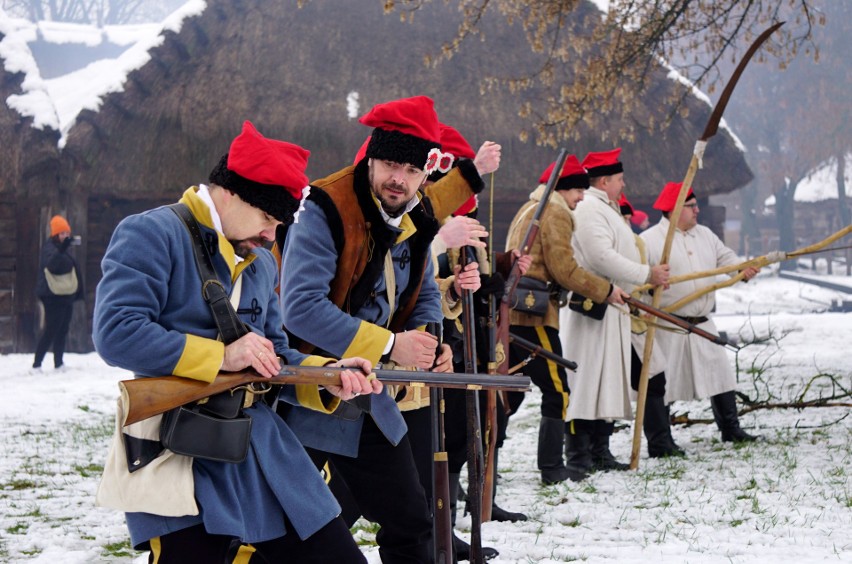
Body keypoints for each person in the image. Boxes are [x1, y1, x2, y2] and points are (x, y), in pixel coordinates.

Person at [92, 121, 379, 563]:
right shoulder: (151, 233)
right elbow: (116, 332)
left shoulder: (261, 263)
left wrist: (326, 376)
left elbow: (276, 355)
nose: (271, 235)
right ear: (229, 193)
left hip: (260, 445)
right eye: (267, 218)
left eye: (278, 223)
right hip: (178, 446)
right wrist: (221, 356)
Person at [279, 96, 480, 563]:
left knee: (410, 519)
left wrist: (433, 343)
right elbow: (300, 310)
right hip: (308, 387)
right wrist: (392, 344)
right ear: (371, 158)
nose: (399, 178)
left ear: (424, 173)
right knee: (283, 521)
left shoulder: (419, 212)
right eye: (390, 164)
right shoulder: (324, 207)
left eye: (412, 170)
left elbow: (423, 291)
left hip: (370, 394)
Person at [505, 155, 628, 484]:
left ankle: (485, 460)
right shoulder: (555, 211)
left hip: (517, 312)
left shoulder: (530, 208)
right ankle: (551, 467)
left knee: (508, 395)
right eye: (578, 191)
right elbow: (564, 268)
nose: (581, 199)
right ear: (564, 189)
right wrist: (607, 290)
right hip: (533, 316)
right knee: (558, 390)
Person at [559, 148, 671, 480]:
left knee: (605, 379)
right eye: (620, 179)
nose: (623, 185)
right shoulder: (592, 208)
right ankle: (578, 453)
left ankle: (599, 449)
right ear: (605, 180)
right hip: (593, 307)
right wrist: (646, 274)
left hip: (613, 306)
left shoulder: (603, 207)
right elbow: (600, 258)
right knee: (586, 380)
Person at [640, 182, 760, 443]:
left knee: (721, 375)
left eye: (696, 206)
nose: (697, 211)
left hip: (703, 322)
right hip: (667, 324)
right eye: (691, 206)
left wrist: (744, 269)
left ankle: (730, 429)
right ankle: (660, 440)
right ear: (673, 210)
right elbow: (638, 281)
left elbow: (727, 261)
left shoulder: (705, 234)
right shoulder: (649, 240)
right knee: (663, 382)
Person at [32, 215, 83, 371]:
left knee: (63, 329)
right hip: (51, 295)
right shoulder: (50, 247)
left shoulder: (64, 249)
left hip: (65, 294)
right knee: (51, 329)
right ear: (55, 234)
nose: (65, 237)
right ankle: (36, 364)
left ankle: (58, 363)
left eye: (67, 234)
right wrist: (62, 248)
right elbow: (52, 265)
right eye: (62, 234)